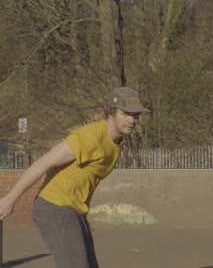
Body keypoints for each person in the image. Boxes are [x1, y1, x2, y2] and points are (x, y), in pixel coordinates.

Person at [0, 87, 150, 268]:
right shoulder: (90, 136)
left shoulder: (117, 143)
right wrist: (10, 199)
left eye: (136, 115)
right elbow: (43, 162)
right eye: (126, 113)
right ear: (111, 111)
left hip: (74, 211)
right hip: (55, 207)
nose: (132, 120)